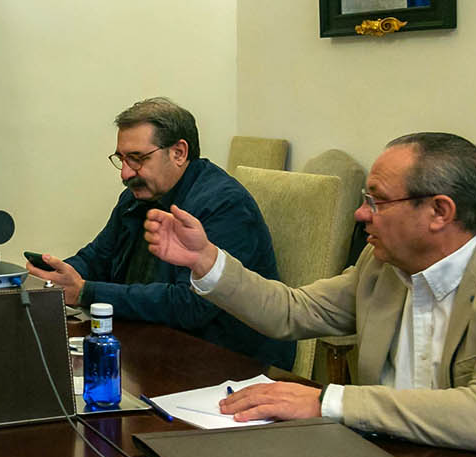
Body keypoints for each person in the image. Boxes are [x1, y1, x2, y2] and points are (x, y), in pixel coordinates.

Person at [144, 131, 476, 457]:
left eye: (376, 201)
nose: (360, 214)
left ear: (440, 212)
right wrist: (206, 262)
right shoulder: (382, 266)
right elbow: (291, 312)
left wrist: (327, 402)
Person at [25, 97, 293, 369]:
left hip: (228, 363)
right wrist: (56, 278)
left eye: (137, 159)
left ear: (178, 153)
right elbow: (98, 257)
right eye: (122, 160)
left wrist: (86, 292)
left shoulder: (224, 205)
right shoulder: (135, 198)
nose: (126, 174)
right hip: (154, 346)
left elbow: (190, 305)